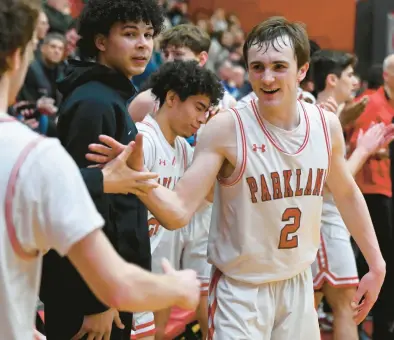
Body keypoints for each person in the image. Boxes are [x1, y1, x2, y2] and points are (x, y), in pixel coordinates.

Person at [87, 17, 385, 339]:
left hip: (297, 284)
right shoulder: (227, 128)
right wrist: (137, 178)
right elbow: (177, 212)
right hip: (241, 292)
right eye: (257, 67)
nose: (266, 77)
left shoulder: (326, 126)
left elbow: (346, 193)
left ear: (301, 70)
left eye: (278, 67)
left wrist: (376, 263)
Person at [0, 1, 201, 340]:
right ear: (100, 40)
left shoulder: (109, 94)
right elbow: (86, 207)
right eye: (129, 34)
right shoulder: (95, 103)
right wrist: (99, 299)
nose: (142, 44)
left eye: (148, 34)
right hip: (93, 295)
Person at [120, 60, 221, 340]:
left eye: (207, 112)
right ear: (172, 99)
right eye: (199, 108)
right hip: (131, 270)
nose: (202, 119)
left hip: (160, 267)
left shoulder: (182, 149)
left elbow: (211, 195)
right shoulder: (143, 140)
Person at [310, 49, 394, 340]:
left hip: (328, 217)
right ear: (332, 80)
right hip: (321, 218)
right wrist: (364, 149)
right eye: (349, 75)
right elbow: (331, 183)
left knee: (321, 305)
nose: (355, 81)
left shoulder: (329, 113)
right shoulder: (319, 113)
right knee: (335, 305)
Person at [350, 53, 394, 340]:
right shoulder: (372, 102)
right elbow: (357, 143)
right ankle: (369, 324)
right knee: (378, 261)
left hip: (386, 188)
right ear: (388, 75)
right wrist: (380, 148)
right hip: (373, 192)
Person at [128, 24, 236, 125]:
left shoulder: (226, 103)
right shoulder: (147, 100)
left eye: (177, 54)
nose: (168, 60)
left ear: (201, 59)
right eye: (166, 54)